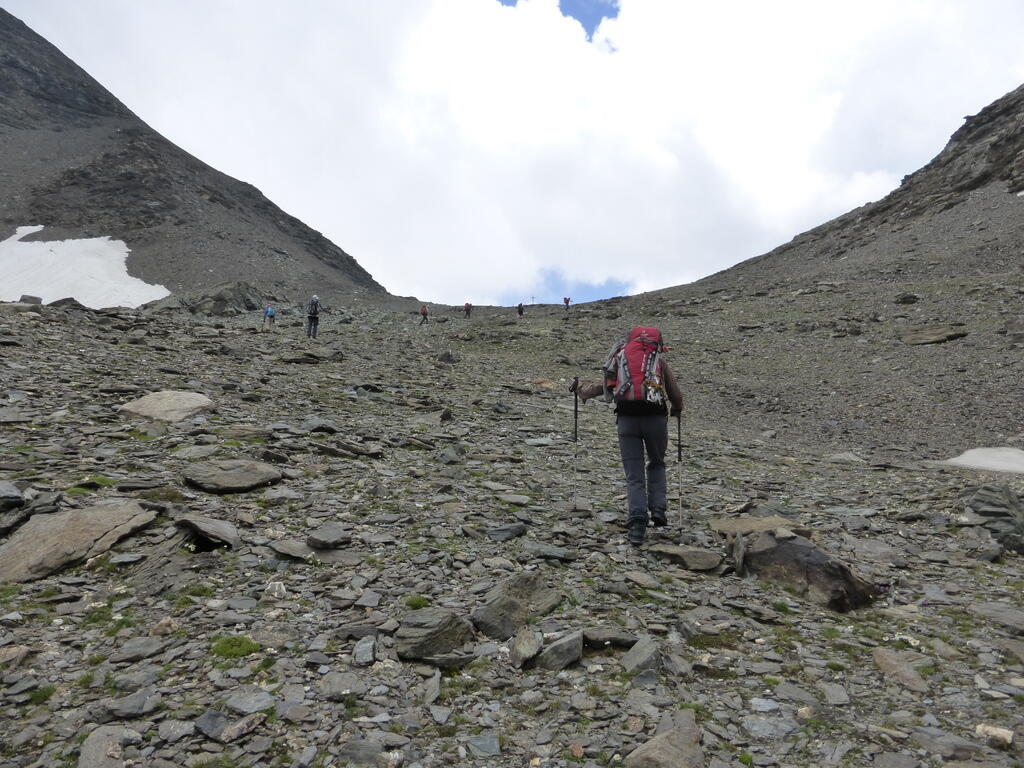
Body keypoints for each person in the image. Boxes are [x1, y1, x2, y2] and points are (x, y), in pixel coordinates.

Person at [575, 326, 683, 546]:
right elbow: (675, 393)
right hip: (655, 419)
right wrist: (677, 409)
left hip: (627, 420)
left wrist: (582, 391)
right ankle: (658, 510)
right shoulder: (658, 363)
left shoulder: (621, 360)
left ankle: (637, 521)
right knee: (657, 462)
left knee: (634, 472)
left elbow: (605, 385)